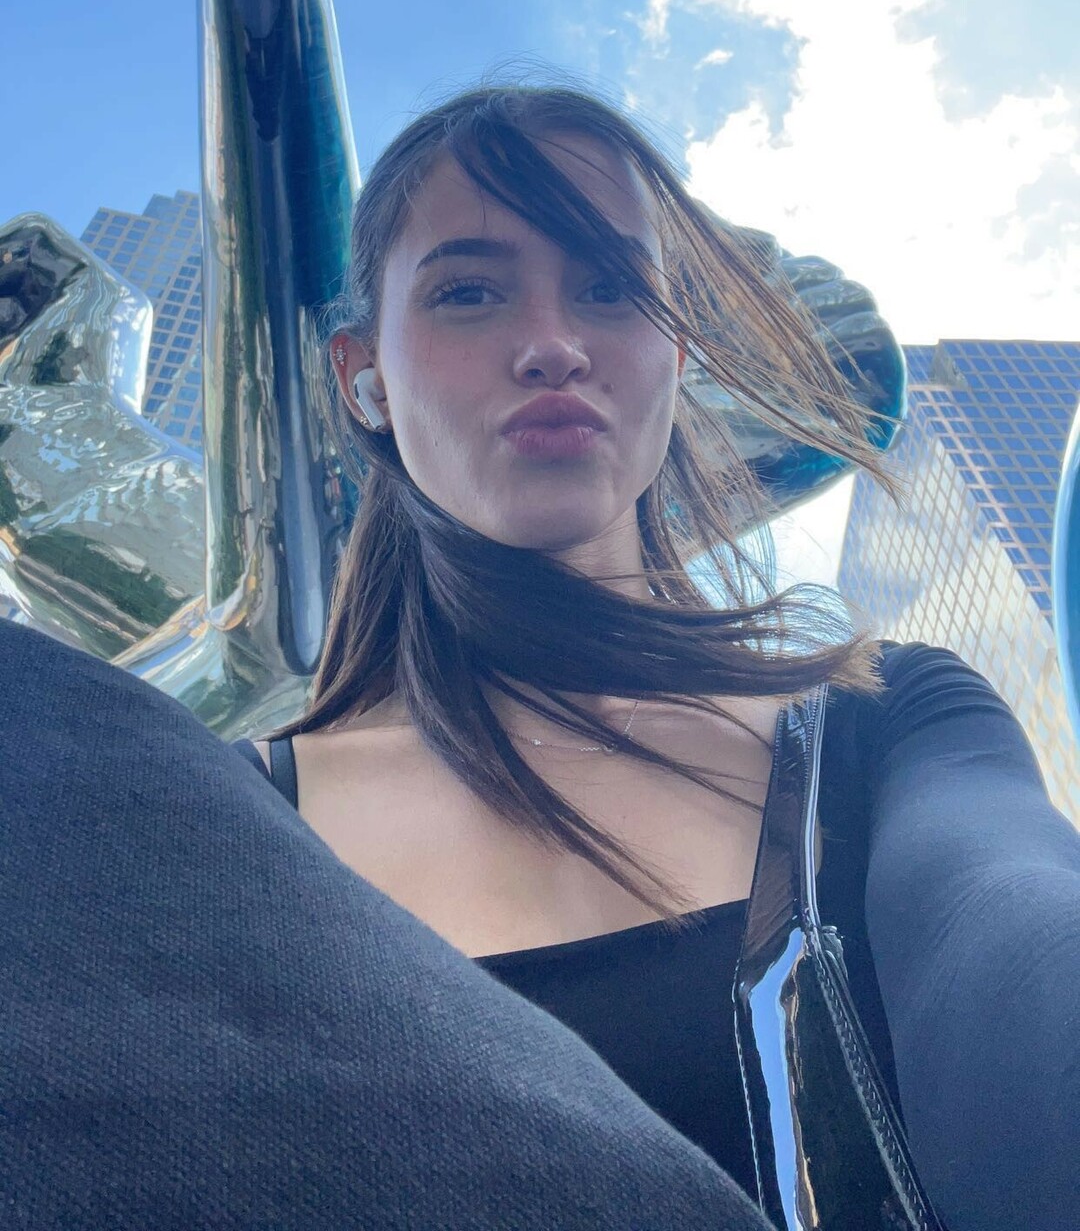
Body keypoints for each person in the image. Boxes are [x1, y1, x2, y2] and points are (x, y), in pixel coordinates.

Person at [231, 81, 1080, 1231]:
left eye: (612, 288)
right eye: (469, 292)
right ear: (362, 377)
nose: (552, 345)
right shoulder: (221, 821)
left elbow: (1013, 921)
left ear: (676, 354)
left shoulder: (892, 720)